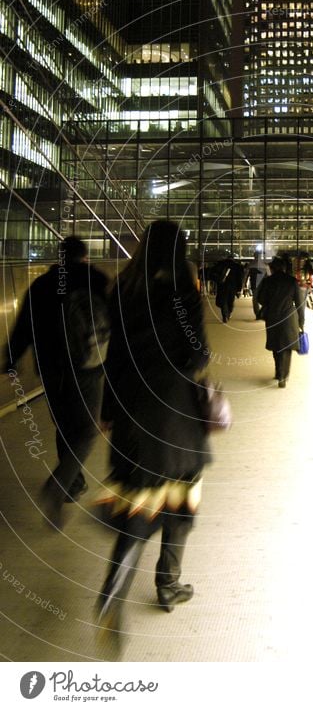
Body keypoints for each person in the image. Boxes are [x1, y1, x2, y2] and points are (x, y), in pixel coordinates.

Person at [95, 220, 213, 639]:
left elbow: (115, 357)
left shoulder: (124, 290)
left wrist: (108, 409)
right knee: (181, 496)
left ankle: (114, 588)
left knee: (140, 502)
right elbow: (196, 354)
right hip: (173, 412)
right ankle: (168, 584)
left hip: (130, 409)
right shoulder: (181, 290)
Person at [3, 236, 109, 529]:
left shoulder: (41, 285)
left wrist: (11, 359)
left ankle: (73, 483)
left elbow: (24, 325)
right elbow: (114, 323)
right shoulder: (97, 279)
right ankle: (60, 484)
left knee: (65, 426)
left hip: (50, 368)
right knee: (86, 432)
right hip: (87, 367)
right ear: (84, 256)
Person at [256, 256, 304, 388]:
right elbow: (300, 303)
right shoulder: (292, 281)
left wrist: (271, 303)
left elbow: (260, 298)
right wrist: (301, 322)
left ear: (272, 268)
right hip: (289, 318)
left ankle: (279, 372)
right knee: (287, 348)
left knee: (276, 346)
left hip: (272, 317)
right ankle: (283, 376)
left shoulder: (268, 281)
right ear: (284, 268)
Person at [212, 255, 244, 322]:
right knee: (230, 301)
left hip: (222, 286)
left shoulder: (221, 264)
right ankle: (228, 313)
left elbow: (214, 274)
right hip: (233, 287)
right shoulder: (237, 266)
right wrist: (239, 289)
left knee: (223, 300)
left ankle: (224, 315)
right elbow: (240, 278)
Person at [294, 252, 313, 327]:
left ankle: (299, 321)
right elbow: (310, 276)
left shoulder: (297, 264)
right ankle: (301, 323)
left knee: (298, 305)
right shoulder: (307, 266)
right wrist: (310, 286)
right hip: (304, 286)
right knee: (302, 305)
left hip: (297, 285)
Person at [248, 252, 269, 319]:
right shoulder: (265, 265)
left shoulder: (251, 264)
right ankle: (262, 312)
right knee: (265, 299)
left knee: (255, 299)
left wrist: (243, 284)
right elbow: (269, 276)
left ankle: (257, 314)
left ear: (254, 256)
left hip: (254, 284)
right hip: (264, 284)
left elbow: (246, 275)